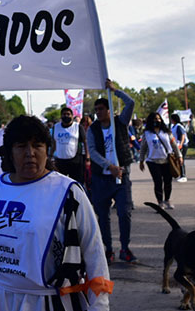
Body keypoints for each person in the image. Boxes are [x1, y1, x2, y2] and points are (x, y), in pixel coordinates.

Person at [0, 115, 111, 311]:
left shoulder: (68, 192)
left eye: (37, 145)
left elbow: (94, 254)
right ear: (10, 152)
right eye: (21, 146)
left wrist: (100, 306)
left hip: (45, 302)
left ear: (48, 150)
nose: (30, 153)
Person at [86, 79, 136, 264]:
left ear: (109, 110)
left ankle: (125, 247)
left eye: (101, 109)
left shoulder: (120, 122)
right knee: (103, 215)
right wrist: (109, 166)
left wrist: (115, 91)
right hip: (102, 178)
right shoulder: (93, 129)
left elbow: (130, 103)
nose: (98, 112)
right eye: (96, 109)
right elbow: (93, 151)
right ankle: (108, 248)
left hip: (122, 177)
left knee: (124, 212)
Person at [139, 112, 183, 210]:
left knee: (168, 181)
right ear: (150, 121)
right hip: (152, 161)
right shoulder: (147, 133)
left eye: (159, 119)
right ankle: (160, 202)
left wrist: (179, 156)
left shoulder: (167, 132)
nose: (157, 121)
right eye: (155, 119)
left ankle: (167, 200)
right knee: (158, 182)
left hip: (167, 160)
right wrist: (141, 161)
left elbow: (174, 145)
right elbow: (143, 148)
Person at [51, 107, 87, 184]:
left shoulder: (77, 127)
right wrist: (50, 156)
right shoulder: (56, 127)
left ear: (72, 116)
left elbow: (85, 141)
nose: (66, 116)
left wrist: (87, 158)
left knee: (76, 183)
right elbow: (54, 143)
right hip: (60, 161)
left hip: (75, 160)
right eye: (64, 114)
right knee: (60, 183)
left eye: (68, 114)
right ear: (61, 116)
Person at [170, 114, 189, 182]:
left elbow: (182, 136)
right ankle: (177, 174)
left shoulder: (179, 126)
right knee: (176, 159)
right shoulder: (173, 126)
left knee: (181, 159)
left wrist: (181, 144)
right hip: (176, 145)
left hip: (182, 145)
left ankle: (183, 175)